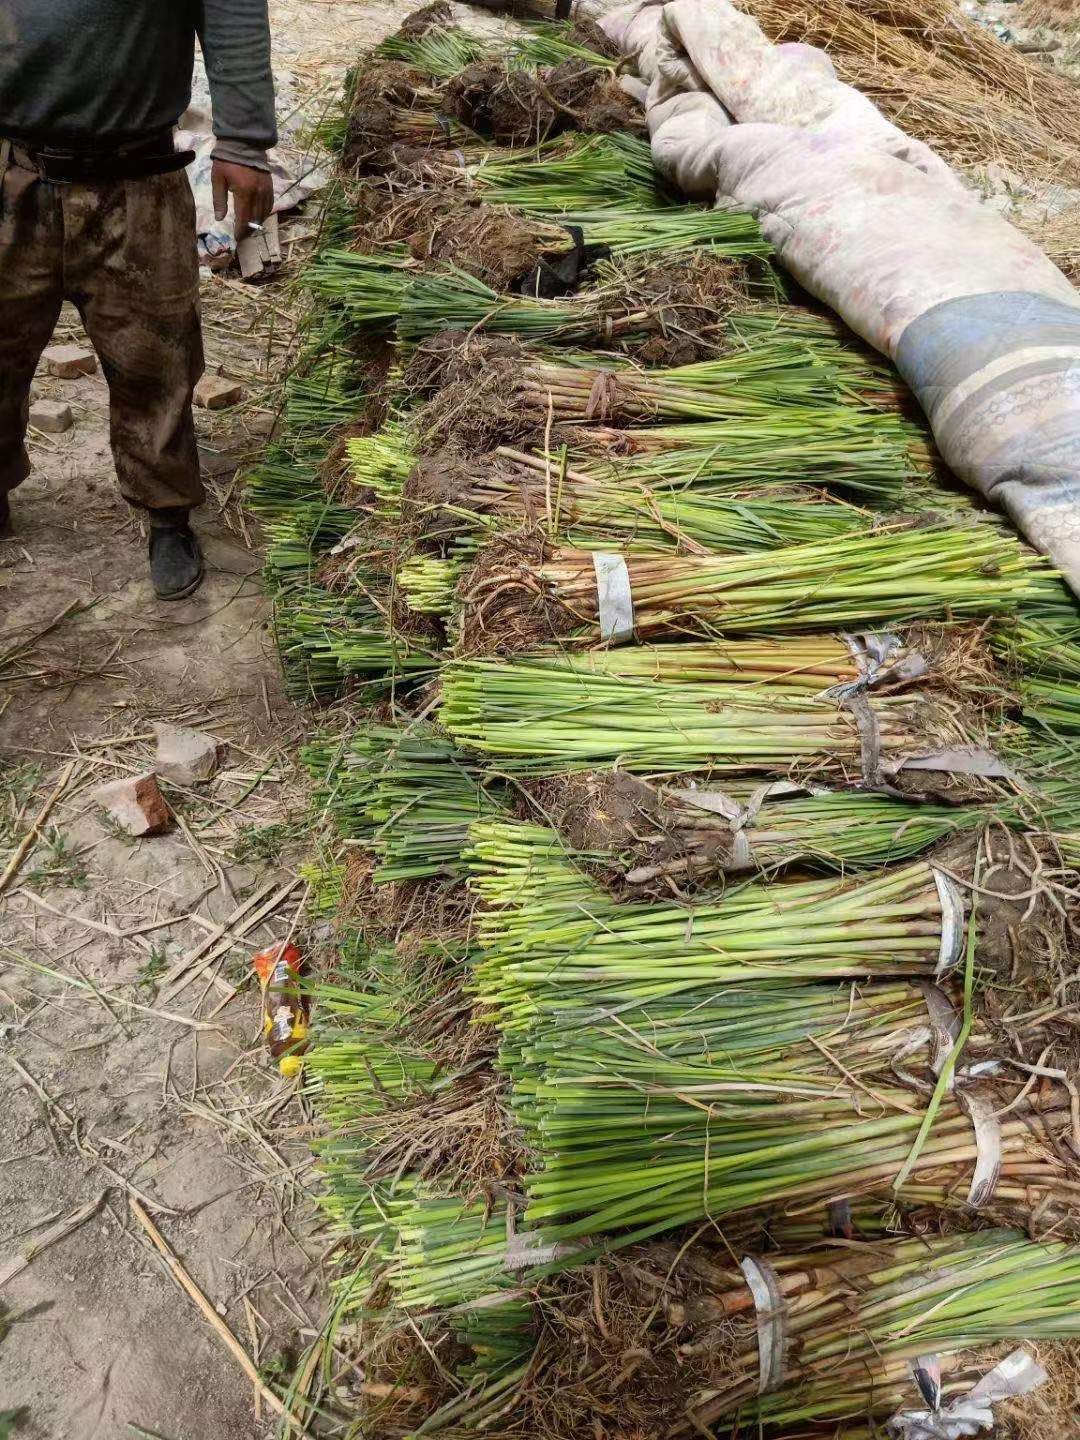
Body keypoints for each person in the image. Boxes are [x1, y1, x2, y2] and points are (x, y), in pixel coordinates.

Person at [0, 1, 277, 600]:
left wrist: (245, 142)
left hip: (137, 176)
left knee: (155, 357)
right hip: (12, 169)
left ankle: (167, 512)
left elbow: (231, 6)